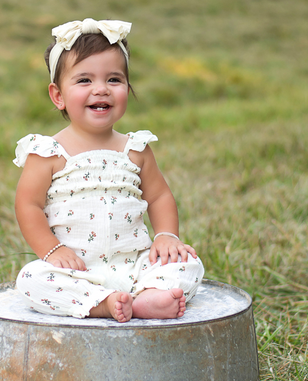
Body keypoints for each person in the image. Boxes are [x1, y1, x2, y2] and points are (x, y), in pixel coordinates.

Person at [14, 18, 204, 323]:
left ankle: (149, 295)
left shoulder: (136, 148)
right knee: (31, 280)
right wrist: (52, 251)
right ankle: (101, 303)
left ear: (127, 88)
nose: (101, 89)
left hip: (136, 261)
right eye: (84, 80)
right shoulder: (48, 152)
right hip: (76, 268)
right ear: (58, 95)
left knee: (189, 263)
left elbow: (159, 197)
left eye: (114, 80)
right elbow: (28, 205)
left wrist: (167, 236)